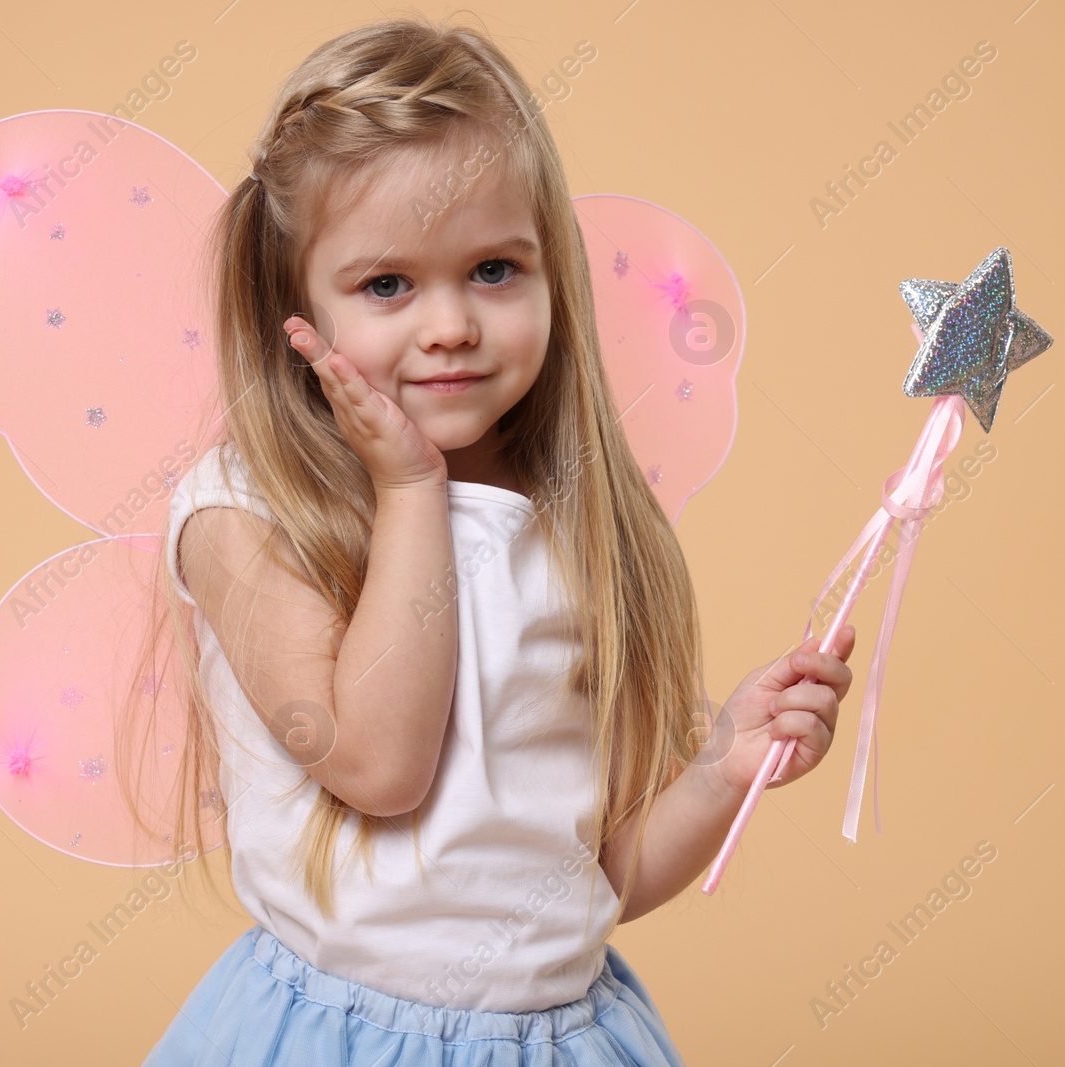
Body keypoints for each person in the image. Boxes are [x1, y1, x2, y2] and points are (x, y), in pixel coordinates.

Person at [143, 14, 856, 1065]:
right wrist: (408, 489)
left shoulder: (571, 521)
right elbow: (378, 765)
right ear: (292, 307)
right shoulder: (246, 514)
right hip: (337, 1038)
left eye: (492, 270)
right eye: (387, 285)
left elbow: (590, 881)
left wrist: (718, 768)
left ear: (550, 273)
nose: (449, 326)